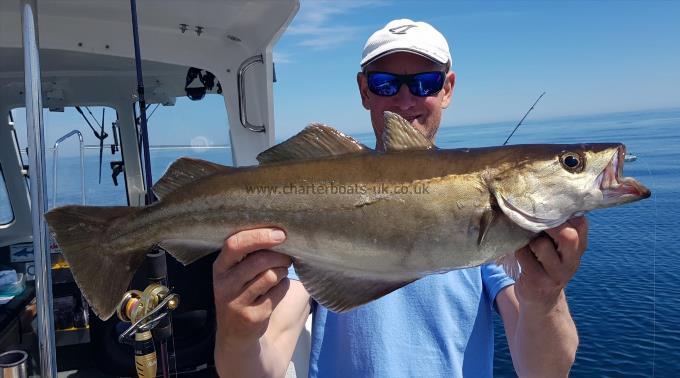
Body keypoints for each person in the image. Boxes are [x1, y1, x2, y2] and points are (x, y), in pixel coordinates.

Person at [213, 19, 587, 378]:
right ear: (364, 91)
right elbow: (260, 365)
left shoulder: (490, 223)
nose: (406, 99)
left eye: (425, 82)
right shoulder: (314, 207)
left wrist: (546, 297)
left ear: (447, 88)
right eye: (385, 84)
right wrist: (238, 332)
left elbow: (545, 371)